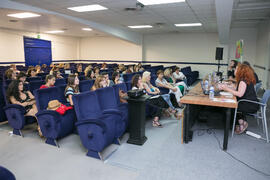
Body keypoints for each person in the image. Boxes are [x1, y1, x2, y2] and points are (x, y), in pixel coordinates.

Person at [219, 64, 259, 134]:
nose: (235, 70)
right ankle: (239, 122)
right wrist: (226, 87)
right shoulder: (244, 79)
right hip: (249, 103)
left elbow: (240, 94)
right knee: (232, 104)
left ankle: (242, 123)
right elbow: (237, 89)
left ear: (241, 71)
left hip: (249, 105)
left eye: (237, 69)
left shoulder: (243, 81)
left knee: (231, 106)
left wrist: (226, 88)